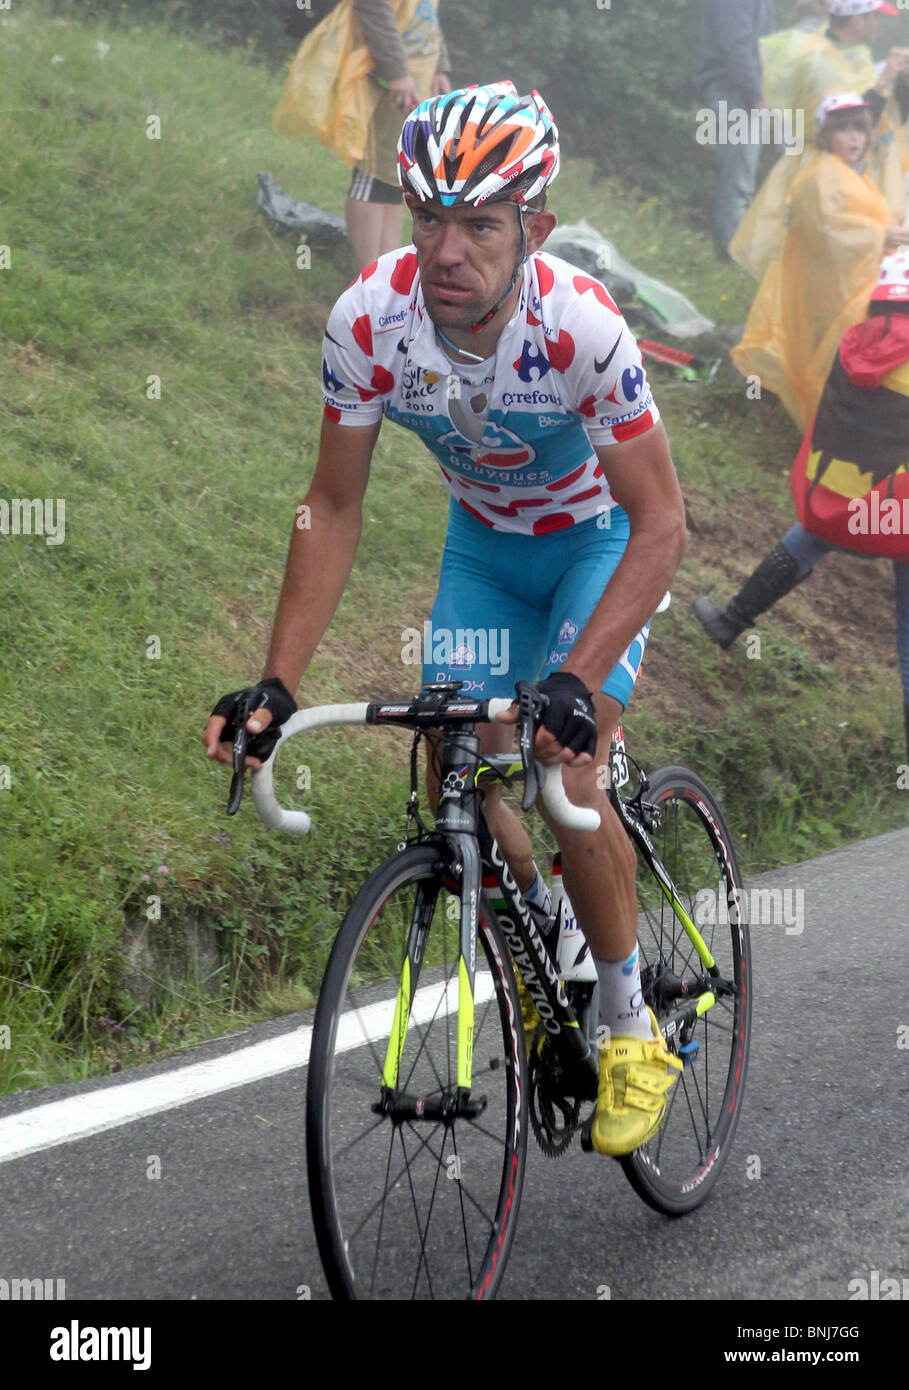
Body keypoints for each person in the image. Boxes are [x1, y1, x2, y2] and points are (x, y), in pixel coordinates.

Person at [204, 82, 689, 1158]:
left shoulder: (582, 329)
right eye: (430, 217)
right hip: (484, 553)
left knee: (570, 773)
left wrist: (582, 676)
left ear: (535, 230)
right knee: (451, 762)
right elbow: (331, 505)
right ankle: (559, 932)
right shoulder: (371, 321)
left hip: (598, 552)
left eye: (480, 222)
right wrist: (277, 681)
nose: (449, 247)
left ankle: (627, 1019)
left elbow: (663, 526)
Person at [694, 248, 909, 757]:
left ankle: (733, 620)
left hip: (842, 506)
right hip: (898, 515)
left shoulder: (852, 343)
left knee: (808, 538)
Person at [731, 93, 901, 432]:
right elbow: (826, 230)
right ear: (827, 134)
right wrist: (881, 236)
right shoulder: (820, 176)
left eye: (859, 129)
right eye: (844, 130)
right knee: (830, 356)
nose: (854, 137)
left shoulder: (852, 174)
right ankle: (828, 430)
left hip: (849, 283)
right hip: (826, 292)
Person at [731, 0, 909, 280]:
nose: (879, 23)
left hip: (856, 173)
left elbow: (880, 115)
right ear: (857, 19)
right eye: (875, 16)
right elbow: (840, 125)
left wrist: (900, 83)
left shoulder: (853, 55)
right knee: (828, 257)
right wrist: (881, 82)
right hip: (826, 174)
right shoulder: (820, 60)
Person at [346, 0, 451, 267]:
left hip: (416, 75)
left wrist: (439, 65)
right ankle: (367, 279)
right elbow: (373, 7)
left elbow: (426, 13)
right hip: (387, 75)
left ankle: (384, 273)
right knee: (373, 173)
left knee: (398, 175)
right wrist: (396, 72)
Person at [697, 0, 776, 254]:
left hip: (743, 90)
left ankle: (736, 252)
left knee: (741, 179)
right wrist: (757, 97)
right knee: (737, 182)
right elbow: (736, 47)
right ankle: (732, 257)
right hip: (733, 90)